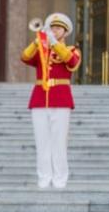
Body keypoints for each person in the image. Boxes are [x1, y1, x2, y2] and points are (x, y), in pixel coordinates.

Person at [22, 12, 81, 189]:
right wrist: (37, 41)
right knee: (42, 142)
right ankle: (44, 177)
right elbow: (25, 57)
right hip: (40, 99)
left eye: (58, 28)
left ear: (65, 32)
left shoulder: (72, 49)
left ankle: (60, 178)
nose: (54, 31)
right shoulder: (42, 50)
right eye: (52, 28)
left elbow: (72, 62)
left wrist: (54, 44)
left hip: (61, 98)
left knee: (59, 142)